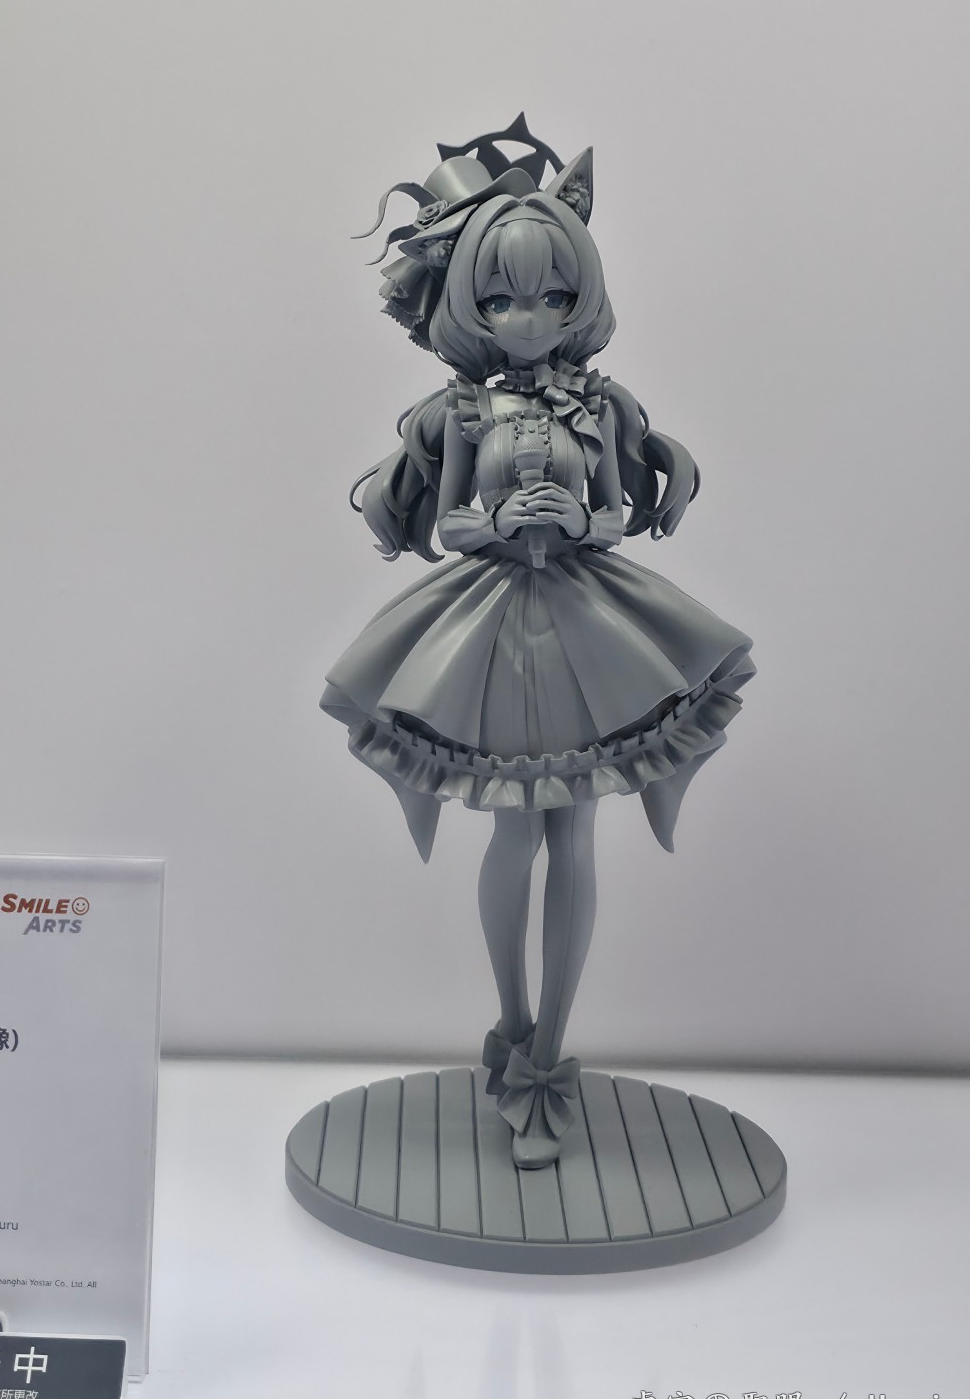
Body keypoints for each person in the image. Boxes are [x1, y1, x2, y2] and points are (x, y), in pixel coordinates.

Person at [321, 117, 754, 1168]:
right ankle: (512, 1026)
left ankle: (551, 1049)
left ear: (582, 298)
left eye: (554, 298)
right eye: (504, 300)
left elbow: (617, 515)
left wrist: (578, 519)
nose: (529, 318)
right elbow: (448, 526)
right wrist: (503, 523)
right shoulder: (460, 411)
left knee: (577, 837)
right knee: (513, 833)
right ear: (468, 302)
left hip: (584, 624)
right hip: (495, 628)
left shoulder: (600, 405)